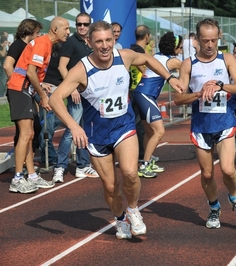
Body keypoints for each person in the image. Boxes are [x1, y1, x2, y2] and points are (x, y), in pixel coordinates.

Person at [49, 21, 184, 239]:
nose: (104, 46)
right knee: (110, 187)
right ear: (89, 42)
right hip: (97, 135)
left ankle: (133, 209)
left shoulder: (124, 57)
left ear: (114, 40)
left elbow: (149, 59)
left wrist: (170, 77)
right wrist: (74, 127)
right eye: (99, 41)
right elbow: (55, 98)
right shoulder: (82, 69)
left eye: (108, 40)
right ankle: (120, 219)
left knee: (130, 173)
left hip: (124, 127)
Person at [174, 18, 236, 229]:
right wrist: (199, 93)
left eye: (213, 40)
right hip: (201, 126)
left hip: (225, 122)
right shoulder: (189, 64)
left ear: (219, 38)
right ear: (197, 39)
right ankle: (214, 207)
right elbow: (178, 99)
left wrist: (220, 85)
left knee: (227, 169)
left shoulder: (226, 59)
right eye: (205, 41)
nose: (209, 45)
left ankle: (235, 198)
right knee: (207, 174)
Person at [7, 17, 70, 194]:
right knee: (26, 134)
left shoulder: (47, 44)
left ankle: (32, 176)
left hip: (25, 89)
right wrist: (43, 96)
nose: (68, 32)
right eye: (65, 28)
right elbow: (30, 71)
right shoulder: (43, 43)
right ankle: (18, 178)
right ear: (54, 29)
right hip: (20, 89)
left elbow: (31, 72)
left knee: (30, 133)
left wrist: (40, 86)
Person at [53, 12, 99, 183]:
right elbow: (62, 66)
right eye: (79, 24)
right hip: (76, 94)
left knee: (85, 130)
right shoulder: (71, 42)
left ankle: (82, 165)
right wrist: (70, 87)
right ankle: (60, 166)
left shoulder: (91, 43)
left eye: (85, 24)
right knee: (71, 131)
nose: (82, 27)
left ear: (90, 25)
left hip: (89, 95)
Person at [133, 32, 183, 178]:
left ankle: (147, 159)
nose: (180, 51)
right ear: (173, 48)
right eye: (179, 48)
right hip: (145, 94)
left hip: (140, 93)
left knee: (149, 132)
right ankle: (145, 165)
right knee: (159, 131)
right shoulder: (172, 61)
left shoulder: (156, 56)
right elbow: (189, 67)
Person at [3, 19, 43, 151]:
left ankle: (29, 158)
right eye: (37, 32)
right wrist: (17, 82)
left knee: (34, 126)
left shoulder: (28, 46)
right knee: (23, 130)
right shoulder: (18, 45)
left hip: (28, 90)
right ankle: (22, 162)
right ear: (29, 32)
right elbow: (7, 65)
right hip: (19, 90)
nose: (38, 35)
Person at [130, 25, 152, 162]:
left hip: (135, 89)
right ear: (147, 36)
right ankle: (141, 154)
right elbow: (145, 70)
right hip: (138, 90)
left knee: (143, 123)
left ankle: (143, 153)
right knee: (140, 124)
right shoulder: (137, 51)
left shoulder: (134, 49)